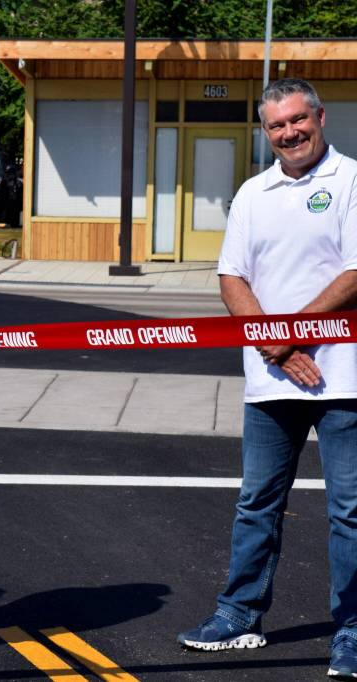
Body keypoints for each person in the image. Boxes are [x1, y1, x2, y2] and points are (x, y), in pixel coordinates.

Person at [177, 78, 357, 679]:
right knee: (257, 503)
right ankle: (240, 616)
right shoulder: (254, 192)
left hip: (344, 377)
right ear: (265, 131)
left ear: (321, 118)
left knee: (349, 511)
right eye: (277, 125)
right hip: (272, 375)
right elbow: (232, 278)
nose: (289, 133)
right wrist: (276, 347)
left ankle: (352, 631)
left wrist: (293, 332)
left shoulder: (352, 180)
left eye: (298, 120)